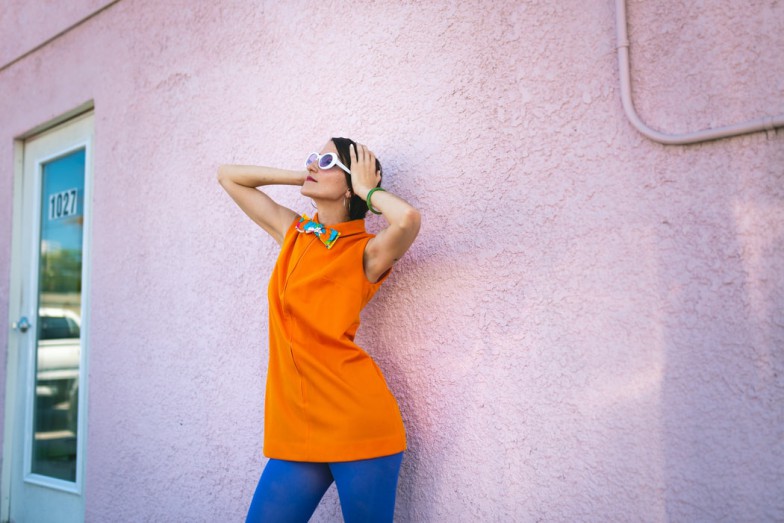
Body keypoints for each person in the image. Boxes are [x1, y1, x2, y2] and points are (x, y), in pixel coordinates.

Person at [217, 137, 421, 522]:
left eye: (326, 160)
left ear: (349, 185)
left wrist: (366, 190)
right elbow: (228, 177)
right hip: (299, 426)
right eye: (313, 157)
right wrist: (304, 177)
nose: (313, 163)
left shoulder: (367, 251)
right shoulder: (294, 234)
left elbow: (408, 219)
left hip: (358, 423)